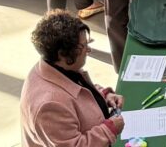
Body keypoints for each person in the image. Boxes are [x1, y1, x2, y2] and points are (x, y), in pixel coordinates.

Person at [20, 10, 125, 147]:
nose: (88, 50)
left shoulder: (56, 66)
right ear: (62, 54)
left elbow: (79, 90)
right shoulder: (49, 106)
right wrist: (109, 130)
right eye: (83, 46)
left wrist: (103, 96)